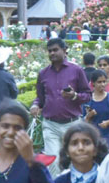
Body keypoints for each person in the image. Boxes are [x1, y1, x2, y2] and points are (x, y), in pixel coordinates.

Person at [31, 38, 92, 175]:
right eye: (50, 51)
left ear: (64, 51)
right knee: (53, 161)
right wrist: (35, 105)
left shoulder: (76, 70)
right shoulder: (43, 74)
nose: (52, 53)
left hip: (72, 124)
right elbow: (40, 98)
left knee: (73, 160)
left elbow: (88, 95)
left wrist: (75, 96)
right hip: (50, 125)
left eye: (55, 50)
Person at [82, 70, 109, 149]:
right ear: (93, 83)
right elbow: (83, 121)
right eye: (99, 82)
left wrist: (107, 123)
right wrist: (88, 116)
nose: (102, 84)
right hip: (92, 136)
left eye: (104, 82)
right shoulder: (88, 100)